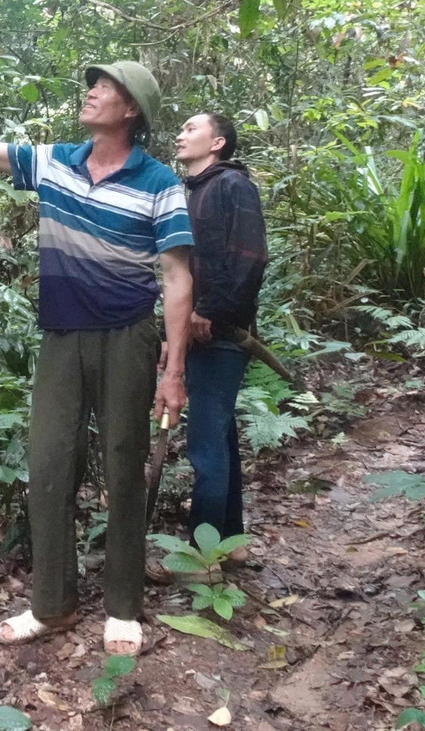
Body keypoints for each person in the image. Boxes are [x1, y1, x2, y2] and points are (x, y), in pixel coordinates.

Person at [0, 57, 193, 656]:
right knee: (48, 466)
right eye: (92, 84)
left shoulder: (160, 184)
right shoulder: (57, 162)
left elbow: (177, 279)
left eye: (105, 88)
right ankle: (53, 605)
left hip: (127, 337)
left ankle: (123, 607)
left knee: (124, 467)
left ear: (131, 110)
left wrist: (173, 371)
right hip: (62, 338)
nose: (91, 92)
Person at [150, 112, 266, 580]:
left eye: (192, 128)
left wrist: (210, 310)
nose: (180, 134)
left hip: (220, 336)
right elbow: (182, 273)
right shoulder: (192, 192)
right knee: (219, 438)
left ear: (217, 142)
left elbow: (250, 258)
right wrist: (173, 334)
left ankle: (201, 560)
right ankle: (231, 543)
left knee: (204, 444)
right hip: (197, 334)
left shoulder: (232, 186)